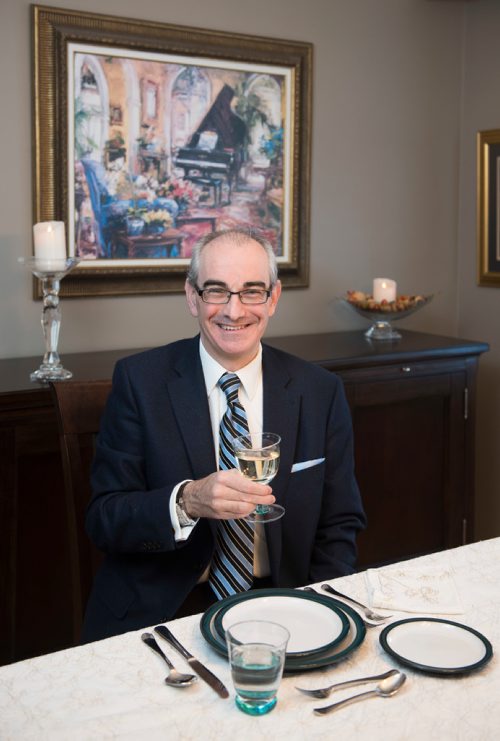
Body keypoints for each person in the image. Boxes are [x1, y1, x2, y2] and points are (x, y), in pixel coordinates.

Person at [83, 228, 366, 642]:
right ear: (191, 297)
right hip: (164, 609)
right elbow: (104, 520)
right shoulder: (140, 382)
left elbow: (341, 523)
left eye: (252, 291)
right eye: (216, 291)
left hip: (283, 605)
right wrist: (188, 500)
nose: (234, 311)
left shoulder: (319, 390)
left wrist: (317, 610)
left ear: (273, 298)